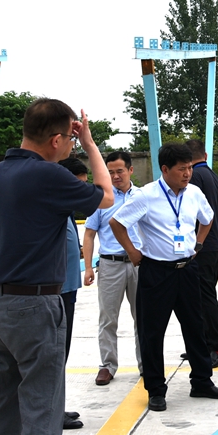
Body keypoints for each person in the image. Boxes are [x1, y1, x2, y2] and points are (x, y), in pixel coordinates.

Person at [0, 99, 112, 435]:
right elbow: (106, 195)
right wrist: (91, 144)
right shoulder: (48, 175)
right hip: (35, 306)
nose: (70, 146)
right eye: (68, 139)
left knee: (2, 407)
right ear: (56, 139)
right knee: (41, 412)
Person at [109, 143, 218, 412]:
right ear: (165, 169)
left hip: (187, 269)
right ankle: (155, 389)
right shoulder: (146, 196)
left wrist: (198, 244)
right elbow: (117, 223)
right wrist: (132, 251)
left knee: (195, 327)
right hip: (156, 272)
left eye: (189, 168)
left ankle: (202, 381)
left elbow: (208, 218)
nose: (187, 174)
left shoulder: (194, 193)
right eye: (181, 169)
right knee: (152, 332)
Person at [82, 151, 142, 386]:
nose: (115, 176)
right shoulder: (102, 199)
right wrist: (88, 267)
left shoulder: (143, 197)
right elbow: (89, 234)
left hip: (139, 265)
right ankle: (107, 365)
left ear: (130, 170)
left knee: (143, 317)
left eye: (120, 171)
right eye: (111, 172)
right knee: (108, 318)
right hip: (110, 265)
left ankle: (146, 363)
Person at [56, 157, 87, 435]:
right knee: (50, 360)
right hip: (55, 293)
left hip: (68, 289)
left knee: (60, 357)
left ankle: (57, 410)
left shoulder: (65, 210)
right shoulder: (51, 208)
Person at [187, 138, 218, 368]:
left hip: (201, 245)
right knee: (201, 297)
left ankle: (217, 346)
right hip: (212, 244)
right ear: (204, 155)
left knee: (205, 298)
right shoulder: (211, 175)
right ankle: (203, 344)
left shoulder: (194, 177)